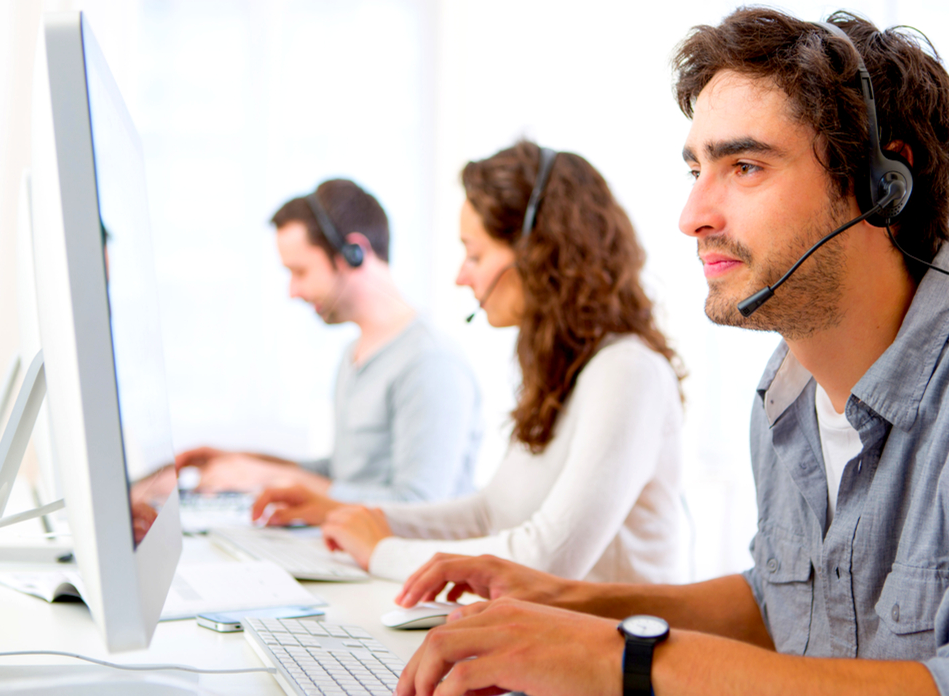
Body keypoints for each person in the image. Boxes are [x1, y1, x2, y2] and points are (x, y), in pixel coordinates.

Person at [390, 9, 949, 696]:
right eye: (697, 168)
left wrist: (624, 661)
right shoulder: (787, 391)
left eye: (744, 166)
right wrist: (567, 604)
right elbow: (782, 604)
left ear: (880, 188)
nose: (693, 216)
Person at [251, 141, 691, 585]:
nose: (463, 276)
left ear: (538, 252)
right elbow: (489, 512)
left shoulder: (627, 372)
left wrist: (382, 551)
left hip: (608, 648)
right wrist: (354, 516)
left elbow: (547, 558)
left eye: (476, 255)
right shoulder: (563, 371)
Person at [175, 178, 482, 509]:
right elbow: (342, 479)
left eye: (300, 271)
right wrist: (246, 464)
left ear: (353, 254)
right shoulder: (356, 354)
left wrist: (270, 477)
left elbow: (418, 504)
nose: (293, 291)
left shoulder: (430, 362)